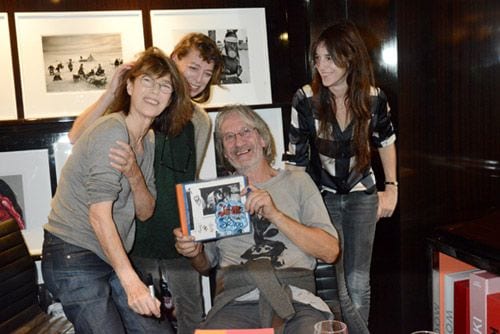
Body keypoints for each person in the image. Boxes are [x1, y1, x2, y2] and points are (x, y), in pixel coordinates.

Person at [68, 33, 223, 334]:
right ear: (174, 60)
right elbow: (77, 137)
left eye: (207, 74)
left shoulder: (201, 121)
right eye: (193, 68)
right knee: (141, 324)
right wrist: (111, 90)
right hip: (133, 242)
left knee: (193, 321)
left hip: (179, 244)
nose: (199, 80)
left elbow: (189, 183)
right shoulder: (138, 105)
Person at [41, 46, 192, 333]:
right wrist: (132, 283)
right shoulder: (112, 129)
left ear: (171, 99)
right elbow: (99, 215)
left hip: (108, 252)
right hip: (73, 252)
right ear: (130, 85)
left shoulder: (147, 139)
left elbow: (145, 212)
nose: (154, 91)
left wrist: (135, 174)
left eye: (164, 86)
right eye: (147, 80)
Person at [174, 104, 340, 333]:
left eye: (245, 132)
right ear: (224, 151)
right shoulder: (212, 193)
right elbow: (205, 265)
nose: (238, 142)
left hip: (296, 299)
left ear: (262, 139)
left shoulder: (298, 182)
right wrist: (194, 252)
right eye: (229, 137)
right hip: (235, 301)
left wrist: (275, 214)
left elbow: (330, 251)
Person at [286, 21, 398, 333]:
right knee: (337, 284)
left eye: (329, 58)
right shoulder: (305, 99)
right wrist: (295, 205)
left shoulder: (373, 98)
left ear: (349, 59)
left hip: (363, 195)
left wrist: (392, 189)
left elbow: (386, 142)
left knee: (359, 280)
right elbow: (295, 159)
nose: (321, 66)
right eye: (318, 58)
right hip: (323, 198)